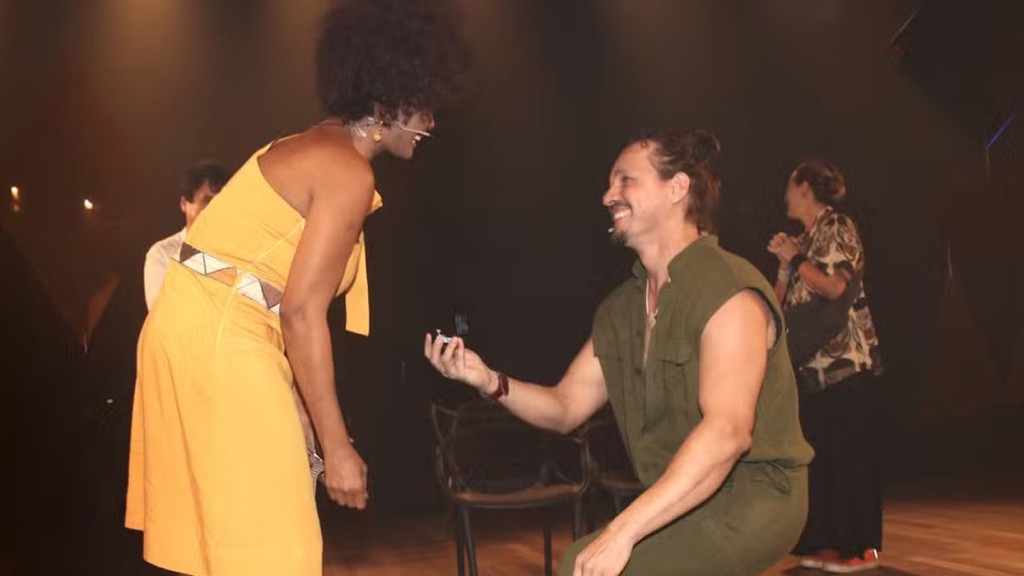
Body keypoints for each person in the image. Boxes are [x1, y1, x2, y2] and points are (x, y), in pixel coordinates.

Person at [125, 0, 468, 573]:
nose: (431, 123)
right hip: (220, 338)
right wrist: (337, 447)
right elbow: (302, 312)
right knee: (276, 543)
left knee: (236, 539)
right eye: (426, 106)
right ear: (387, 103)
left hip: (202, 330)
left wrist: (302, 410)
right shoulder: (346, 170)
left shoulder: (306, 147)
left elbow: (265, 295)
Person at [426, 130, 814, 576]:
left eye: (625, 180)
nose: (608, 195)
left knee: (596, 566)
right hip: (683, 501)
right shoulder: (622, 309)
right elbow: (564, 407)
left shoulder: (727, 291)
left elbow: (727, 433)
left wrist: (622, 531)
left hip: (755, 498)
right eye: (610, 183)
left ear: (677, 188)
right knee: (581, 560)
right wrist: (488, 380)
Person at [768, 160, 884, 573]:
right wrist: (785, 265)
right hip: (812, 369)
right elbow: (778, 307)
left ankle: (861, 550)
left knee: (851, 459)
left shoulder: (837, 225)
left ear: (804, 187)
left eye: (790, 185)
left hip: (846, 364)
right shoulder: (807, 239)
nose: (785, 194)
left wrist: (797, 256)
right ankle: (829, 544)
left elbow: (835, 286)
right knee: (824, 463)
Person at [144, 162, 230, 310]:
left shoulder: (236, 251)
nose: (214, 209)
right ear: (184, 203)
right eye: (207, 201)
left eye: (220, 202)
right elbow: (161, 315)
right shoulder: (164, 253)